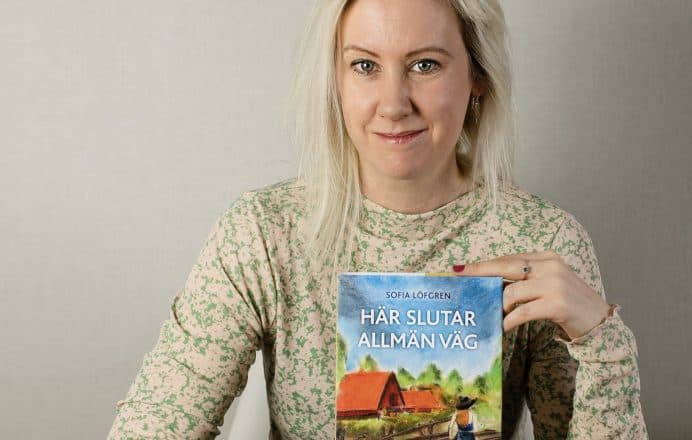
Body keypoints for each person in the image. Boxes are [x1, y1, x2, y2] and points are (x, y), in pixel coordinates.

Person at [108, 0, 648, 438]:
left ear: (477, 76)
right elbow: (155, 424)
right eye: (365, 66)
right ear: (336, 81)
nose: (393, 104)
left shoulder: (543, 243)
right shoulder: (264, 234)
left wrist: (601, 339)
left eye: (425, 65)